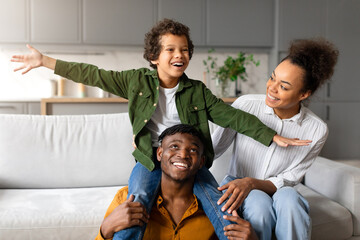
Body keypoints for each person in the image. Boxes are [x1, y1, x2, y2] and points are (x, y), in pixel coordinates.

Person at [11, 19, 310, 240]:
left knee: (224, 210)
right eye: (170, 49)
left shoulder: (197, 91)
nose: (179, 55)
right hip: (150, 160)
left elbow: (231, 115)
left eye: (184, 49)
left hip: (188, 163)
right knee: (137, 203)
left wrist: (269, 135)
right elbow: (94, 74)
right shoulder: (136, 82)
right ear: (155, 57)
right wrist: (44, 61)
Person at [212, 38, 339, 240]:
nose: (272, 88)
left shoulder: (317, 129)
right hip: (238, 183)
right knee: (259, 206)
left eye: (284, 86)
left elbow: (289, 178)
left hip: (279, 189)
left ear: (304, 94)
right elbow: (213, 148)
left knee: (290, 200)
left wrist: (253, 182)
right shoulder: (246, 105)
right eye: (272, 78)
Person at [95, 124, 258, 240]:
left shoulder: (216, 209)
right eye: (174, 146)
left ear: (201, 162)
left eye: (193, 150)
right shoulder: (126, 198)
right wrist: (105, 229)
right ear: (159, 154)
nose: (183, 154)